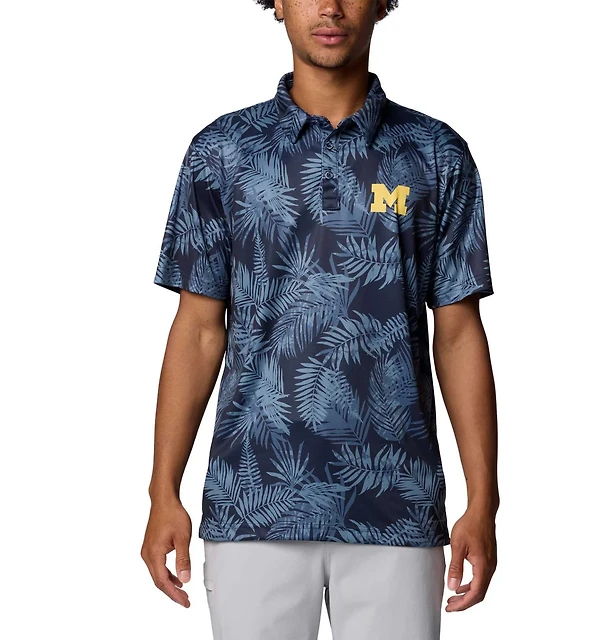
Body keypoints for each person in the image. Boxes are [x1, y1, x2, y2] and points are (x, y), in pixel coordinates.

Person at [141, 1, 499, 638]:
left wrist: (484, 500)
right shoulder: (222, 153)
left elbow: (458, 333)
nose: (330, 6)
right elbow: (197, 330)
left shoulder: (434, 154)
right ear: (277, 3)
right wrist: (161, 491)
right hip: (253, 503)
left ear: (383, 2)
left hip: (398, 505)